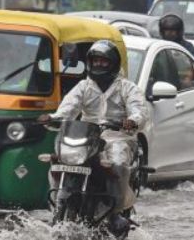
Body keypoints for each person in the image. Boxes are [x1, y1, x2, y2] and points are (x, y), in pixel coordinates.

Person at [38, 40, 148, 222]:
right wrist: (52, 118)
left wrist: (131, 121)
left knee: (118, 162)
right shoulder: (83, 87)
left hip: (117, 137)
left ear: (113, 63)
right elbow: (68, 108)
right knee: (57, 159)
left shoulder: (128, 88)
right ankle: (58, 204)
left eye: (103, 61)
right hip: (87, 137)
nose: (98, 65)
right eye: (95, 61)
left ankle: (115, 213)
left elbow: (139, 113)